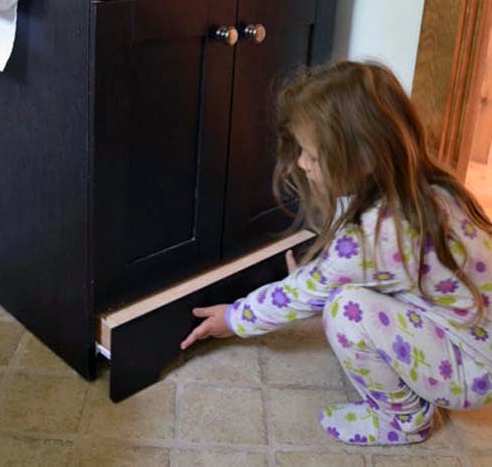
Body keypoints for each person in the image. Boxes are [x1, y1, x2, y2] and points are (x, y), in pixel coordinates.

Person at [180, 60, 492, 446]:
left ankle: (404, 420)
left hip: (474, 368)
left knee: (346, 310)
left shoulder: (375, 240)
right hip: (478, 338)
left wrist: (233, 318)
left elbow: (303, 294)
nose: (300, 163)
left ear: (361, 161)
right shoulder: (430, 191)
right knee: (347, 291)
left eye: (311, 154)